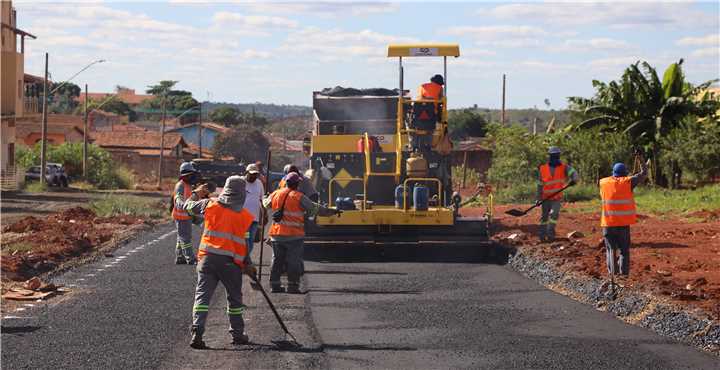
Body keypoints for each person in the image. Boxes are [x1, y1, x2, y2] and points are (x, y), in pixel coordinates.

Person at [184, 176, 257, 349]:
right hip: (231, 264)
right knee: (234, 300)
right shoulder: (245, 217)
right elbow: (245, 245)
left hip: (207, 259)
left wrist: (196, 193)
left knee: (202, 297)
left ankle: (197, 331)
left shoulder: (209, 204)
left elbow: (187, 207)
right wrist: (248, 264)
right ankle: (238, 334)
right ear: (241, 194)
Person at [264, 172, 340, 294]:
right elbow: (315, 209)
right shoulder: (299, 197)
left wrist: (264, 197)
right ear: (298, 184)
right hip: (294, 236)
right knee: (293, 261)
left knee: (277, 260)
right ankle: (293, 286)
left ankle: (274, 285)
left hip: (276, 235)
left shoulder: (276, 194)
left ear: (286, 183)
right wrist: (331, 211)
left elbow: (265, 204)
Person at [600, 161, 648, 280]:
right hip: (622, 225)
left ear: (613, 173)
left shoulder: (603, 182)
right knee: (624, 251)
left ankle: (613, 276)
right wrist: (641, 158)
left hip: (608, 224)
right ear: (625, 173)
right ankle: (624, 277)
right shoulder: (628, 182)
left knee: (610, 250)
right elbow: (644, 173)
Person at [536, 146, 579, 242]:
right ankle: (542, 235)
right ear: (550, 156)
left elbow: (574, 173)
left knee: (554, 214)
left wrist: (574, 180)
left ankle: (550, 234)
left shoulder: (564, 167)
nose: (555, 158)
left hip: (556, 198)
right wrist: (538, 198)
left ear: (559, 156)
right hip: (545, 198)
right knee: (544, 217)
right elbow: (539, 185)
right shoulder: (543, 169)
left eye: (556, 156)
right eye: (553, 156)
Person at [172, 162, 200, 265]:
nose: (191, 177)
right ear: (185, 175)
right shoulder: (181, 185)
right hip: (181, 216)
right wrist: (182, 204)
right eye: (190, 175)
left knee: (181, 236)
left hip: (186, 215)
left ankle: (180, 257)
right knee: (185, 239)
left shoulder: (188, 185)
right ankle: (190, 258)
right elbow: (178, 198)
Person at [241, 163, 265, 253]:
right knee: (245, 239)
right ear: (247, 172)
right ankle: (244, 259)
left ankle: (246, 259)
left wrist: (264, 215)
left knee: (251, 240)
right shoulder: (241, 182)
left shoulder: (259, 183)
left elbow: (262, 200)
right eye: (252, 174)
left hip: (254, 219)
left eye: (256, 174)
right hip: (243, 218)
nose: (254, 176)